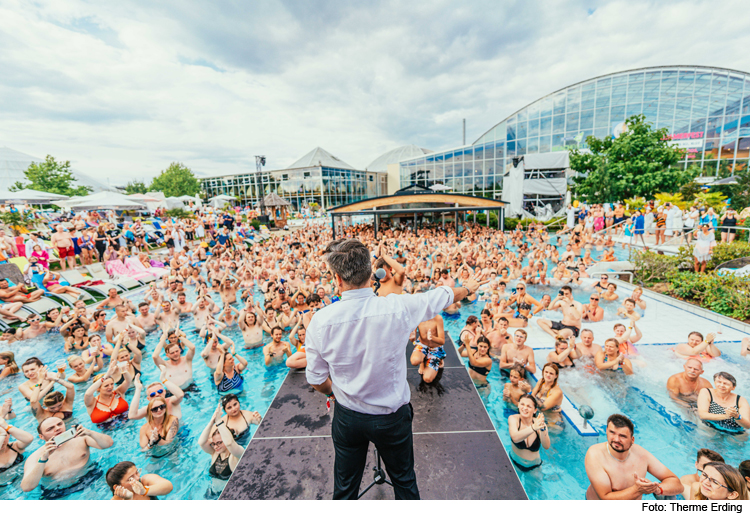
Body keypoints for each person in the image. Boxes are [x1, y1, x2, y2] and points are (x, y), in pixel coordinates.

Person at [305, 238, 479, 500]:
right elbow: (440, 296)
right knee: (404, 482)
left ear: (337, 279)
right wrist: (468, 287)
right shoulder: (397, 307)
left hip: (348, 418)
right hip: (391, 417)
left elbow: (316, 380)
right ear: (370, 273)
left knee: (345, 489)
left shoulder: (320, 321)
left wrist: (334, 393)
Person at [584, 414, 682, 500]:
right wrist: (637, 489)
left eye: (622, 436)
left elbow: (677, 484)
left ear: (632, 440)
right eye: (612, 433)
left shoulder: (641, 455)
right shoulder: (595, 454)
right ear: (606, 431)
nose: (616, 439)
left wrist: (657, 489)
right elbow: (605, 498)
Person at [20, 419, 113, 494]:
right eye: (50, 428)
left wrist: (91, 433)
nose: (57, 428)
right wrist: (43, 458)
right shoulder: (36, 457)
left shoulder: (81, 438)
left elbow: (108, 444)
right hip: (58, 491)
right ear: (41, 436)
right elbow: (27, 487)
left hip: (91, 476)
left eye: (59, 424)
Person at [199, 403, 245, 498]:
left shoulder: (236, 455)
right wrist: (212, 422)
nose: (216, 446)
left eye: (220, 442)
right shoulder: (215, 453)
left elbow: (229, 443)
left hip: (230, 495)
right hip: (212, 493)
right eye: (214, 443)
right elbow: (201, 443)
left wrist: (219, 421)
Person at [507, 394, 550, 471]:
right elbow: (515, 438)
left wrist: (543, 429)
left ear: (535, 410)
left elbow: (546, 446)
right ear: (518, 405)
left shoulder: (539, 423)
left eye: (529, 406)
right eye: (522, 404)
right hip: (514, 463)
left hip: (535, 466)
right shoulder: (513, 419)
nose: (524, 408)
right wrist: (533, 427)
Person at [106, 461, 173, 500]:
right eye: (131, 478)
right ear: (117, 487)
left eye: (137, 472)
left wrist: (145, 491)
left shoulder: (144, 481)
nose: (137, 478)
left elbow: (168, 486)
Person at [410, 314, 446, 383]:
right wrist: (412, 338)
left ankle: (439, 359)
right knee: (414, 361)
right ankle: (423, 361)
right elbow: (413, 339)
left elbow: (442, 341)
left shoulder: (437, 318)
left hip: (435, 348)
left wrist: (432, 337)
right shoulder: (417, 317)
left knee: (427, 379)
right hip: (423, 345)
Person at [0, 415, 33, 484]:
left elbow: (29, 439)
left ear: (9, 435)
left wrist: (6, 426)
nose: (2, 441)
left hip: (23, 479)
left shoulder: (15, 447)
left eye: (3, 436)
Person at [531, 363, 564, 428]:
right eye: (546, 372)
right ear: (543, 372)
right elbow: (532, 396)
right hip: (542, 418)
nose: (548, 375)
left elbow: (543, 408)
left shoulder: (557, 392)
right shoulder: (541, 382)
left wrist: (528, 390)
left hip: (553, 424)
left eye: (551, 373)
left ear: (556, 376)